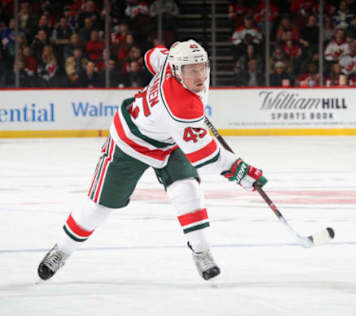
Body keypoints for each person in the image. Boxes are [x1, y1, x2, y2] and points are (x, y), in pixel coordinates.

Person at [37, 40, 268, 282]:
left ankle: (201, 252)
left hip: (169, 140)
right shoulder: (182, 106)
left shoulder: (173, 63)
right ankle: (61, 250)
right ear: (178, 72)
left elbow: (151, 56)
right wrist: (242, 172)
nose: (200, 75)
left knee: (187, 189)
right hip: (131, 143)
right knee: (99, 208)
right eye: (192, 70)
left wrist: (171, 51)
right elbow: (207, 158)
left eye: (203, 67)